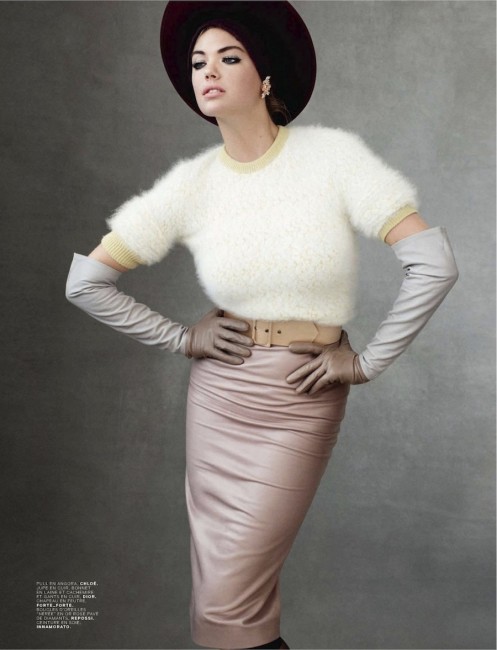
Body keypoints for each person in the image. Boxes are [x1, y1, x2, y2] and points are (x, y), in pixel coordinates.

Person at [65, 2, 459, 648]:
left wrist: (365, 362)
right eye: (198, 62)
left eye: (229, 57)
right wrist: (181, 337)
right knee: (220, 609)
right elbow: (84, 282)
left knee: (231, 606)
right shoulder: (191, 185)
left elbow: (433, 263)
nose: (207, 72)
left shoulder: (332, 160)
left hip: (300, 400)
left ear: (265, 76)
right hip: (218, 401)